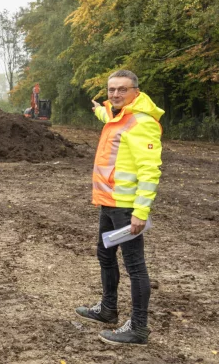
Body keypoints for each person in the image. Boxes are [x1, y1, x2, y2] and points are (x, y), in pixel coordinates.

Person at [75, 69, 164, 346]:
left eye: (121, 89)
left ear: (135, 92)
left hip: (126, 208)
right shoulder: (117, 116)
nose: (115, 94)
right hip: (109, 202)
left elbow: (150, 171)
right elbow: (109, 116)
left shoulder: (142, 122)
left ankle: (138, 327)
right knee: (105, 255)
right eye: (111, 90)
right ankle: (108, 309)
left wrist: (141, 211)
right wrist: (99, 110)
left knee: (135, 267)